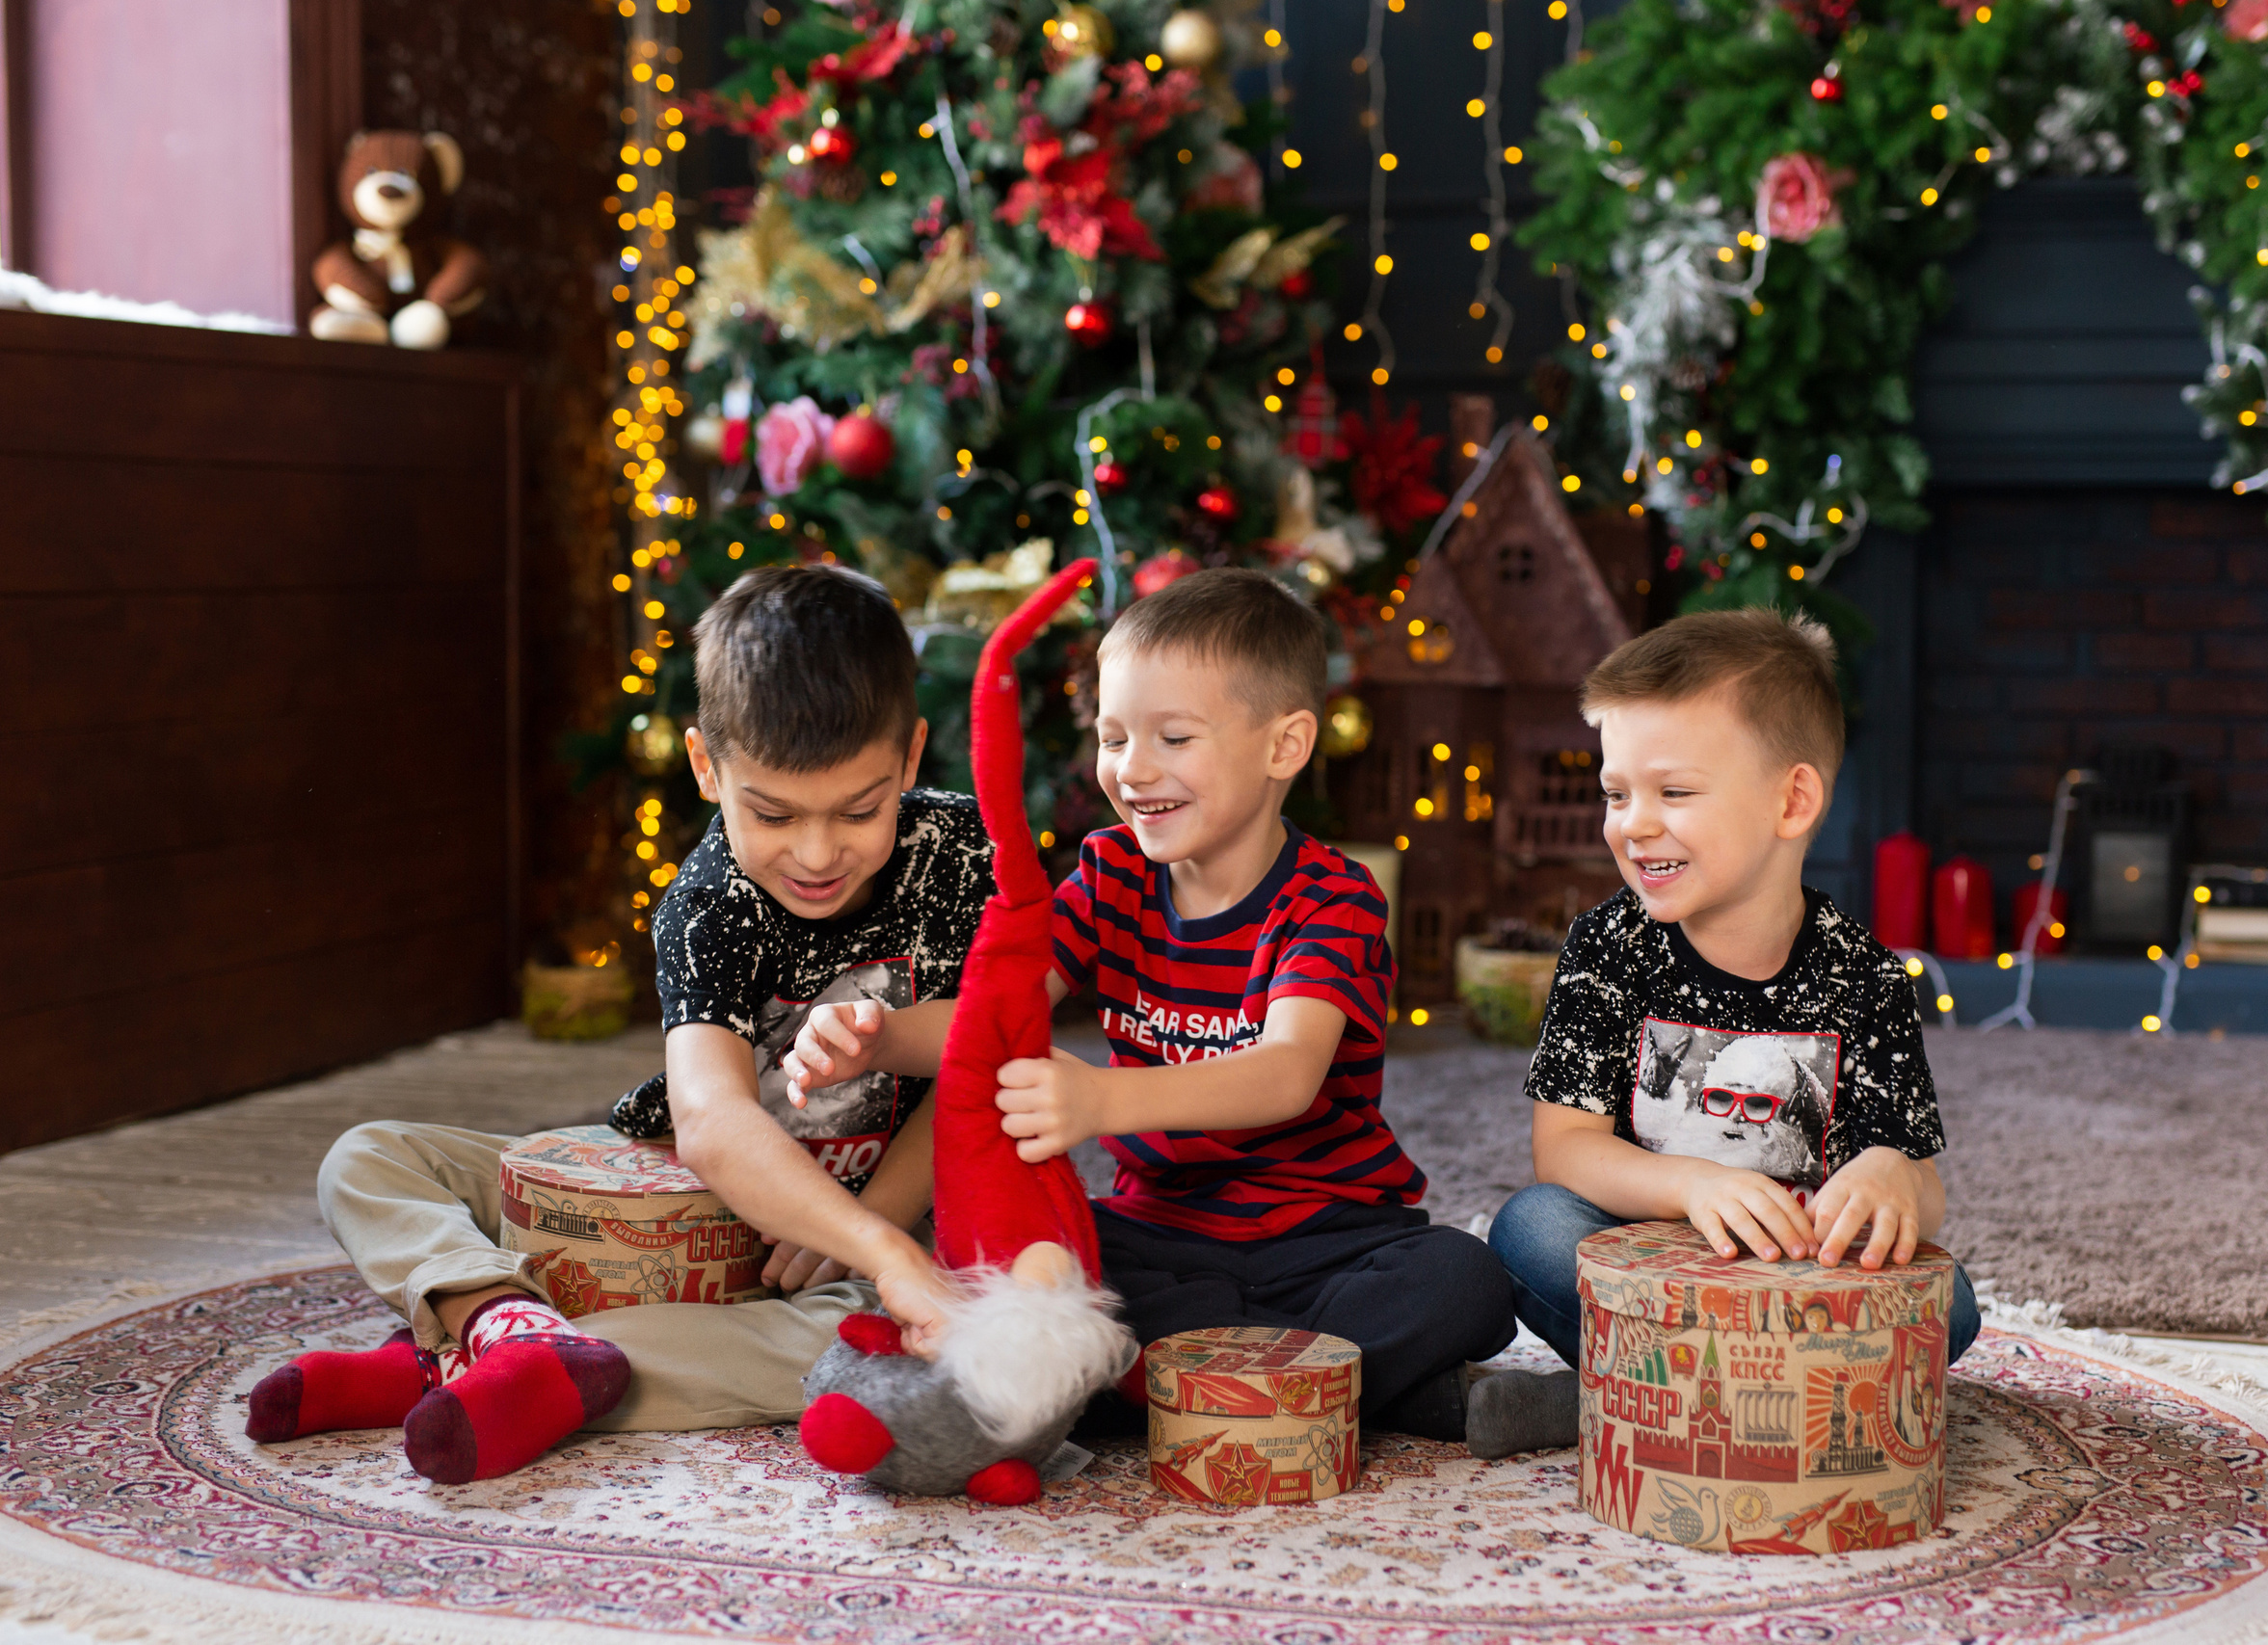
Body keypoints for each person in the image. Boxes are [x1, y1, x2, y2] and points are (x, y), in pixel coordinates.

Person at [244, 565, 990, 1482]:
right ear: (707, 768)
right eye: (773, 812)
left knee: (875, 1331)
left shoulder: (966, 854)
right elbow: (713, 1125)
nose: (817, 851)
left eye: (860, 810)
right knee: (367, 1158)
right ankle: (497, 1328)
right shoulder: (708, 902)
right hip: (681, 1183)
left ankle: (449, 1365)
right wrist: (872, 1244)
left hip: (853, 1228)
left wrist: (871, 1231)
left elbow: (991, 1060)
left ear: (911, 759)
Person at [794, 568, 1519, 1445]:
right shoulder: (1111, 874)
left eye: (1172, 737)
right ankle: (1339, 1394)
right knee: (1010, 1265)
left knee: (1464, 1277)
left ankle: (1162, 1391)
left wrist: (1105, 1100)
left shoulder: (1334, 898)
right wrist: (878, 1039)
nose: (1132, 770)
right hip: (1159, 1235)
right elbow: (997, 1021)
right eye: (1112, 737)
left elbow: (1286, 1074)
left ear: (1285, 745)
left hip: (1326, 1239)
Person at [1478, 608, 1981, 1459]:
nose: (1632, 823)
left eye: (1672, 792)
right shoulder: (1609, 945)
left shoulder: (1863, 974)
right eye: (1616, 792)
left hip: (1791, 1283)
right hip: (1649, 1254)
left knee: (1951, 1302)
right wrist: (1693, 1185)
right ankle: (1771, 1403)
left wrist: (1893, 1174)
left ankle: (1614, 1398)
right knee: (1528, 1228)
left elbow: (1919, 1190)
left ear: (1791, 800)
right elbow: (1563, 1150)